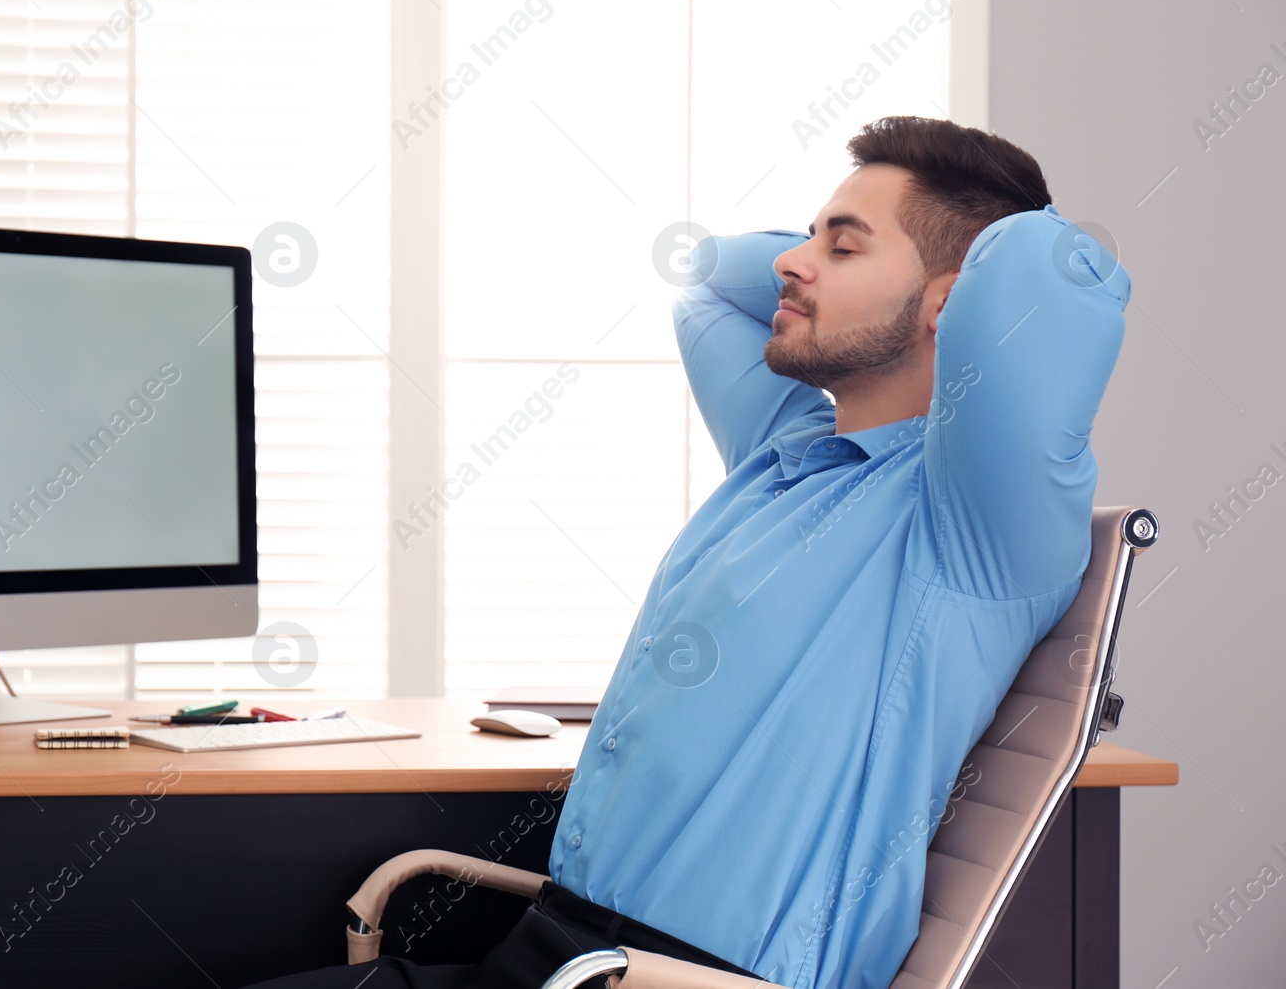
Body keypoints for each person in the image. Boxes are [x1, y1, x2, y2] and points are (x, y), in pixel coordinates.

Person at [240, 115, 1131, 989]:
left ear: (952, 301)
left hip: (674, 979)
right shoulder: (786, 457)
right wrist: (844, 242)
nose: (790, 261)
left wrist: (983, 237)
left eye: (845, 246)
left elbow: (1047, 279)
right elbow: (706, 283)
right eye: (807, 235)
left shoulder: (977, 524)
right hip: (563, 951)